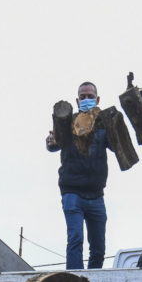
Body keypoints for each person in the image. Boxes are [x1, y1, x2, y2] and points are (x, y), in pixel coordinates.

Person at [46, 82, 112, 270]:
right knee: (75, 238)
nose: (86, 100)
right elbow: (52, 142)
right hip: (72, 192)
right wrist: (50, 141)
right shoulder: (67, 123)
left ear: (97, 99)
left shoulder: (103, 125)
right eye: (82, 97)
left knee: (98, 247)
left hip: (97, 195)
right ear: (77, 100)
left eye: (90, 96)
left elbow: (117, 144)